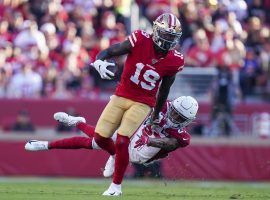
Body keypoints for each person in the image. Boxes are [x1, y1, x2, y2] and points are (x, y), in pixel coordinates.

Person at [73, 13, 184, 195]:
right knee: (101, 138)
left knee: (123, 139)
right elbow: (111, 50)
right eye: (166, 34)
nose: (168, 39)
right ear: (156, 31)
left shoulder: (175, 60)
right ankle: (115, 155)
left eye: (172, 36)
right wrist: (99, 61)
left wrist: (155, 114)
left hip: (144, 101)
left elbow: (164, 89)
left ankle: (116, 186)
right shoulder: (140, 39)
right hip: (121, 94)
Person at [25, 96, 198, 181]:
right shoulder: (162, 104)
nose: (174, 117)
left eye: (180, 117)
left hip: (146, 150)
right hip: (137, 129)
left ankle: (79, 124)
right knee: (96, 141)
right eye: (174, 111)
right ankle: (49, 142)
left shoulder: (182, 136)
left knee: (126, 154)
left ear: (187, 121)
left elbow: (169, 143)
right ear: (172, 105)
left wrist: (150, 141)